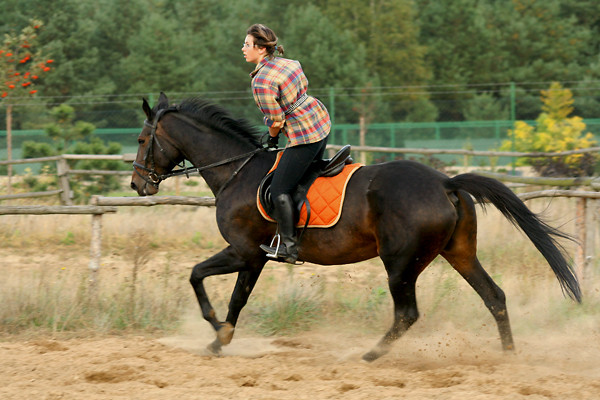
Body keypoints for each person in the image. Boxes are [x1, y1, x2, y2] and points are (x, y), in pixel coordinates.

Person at [243, 23, 331, 263]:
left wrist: (272, 138)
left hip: (304, 135)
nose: (243, 49)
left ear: (261, 49)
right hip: (320, 120)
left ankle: (289, 248)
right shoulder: (290, 63)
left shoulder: (260, 81)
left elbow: (277, 120)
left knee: (280, 189)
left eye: (247, 45)